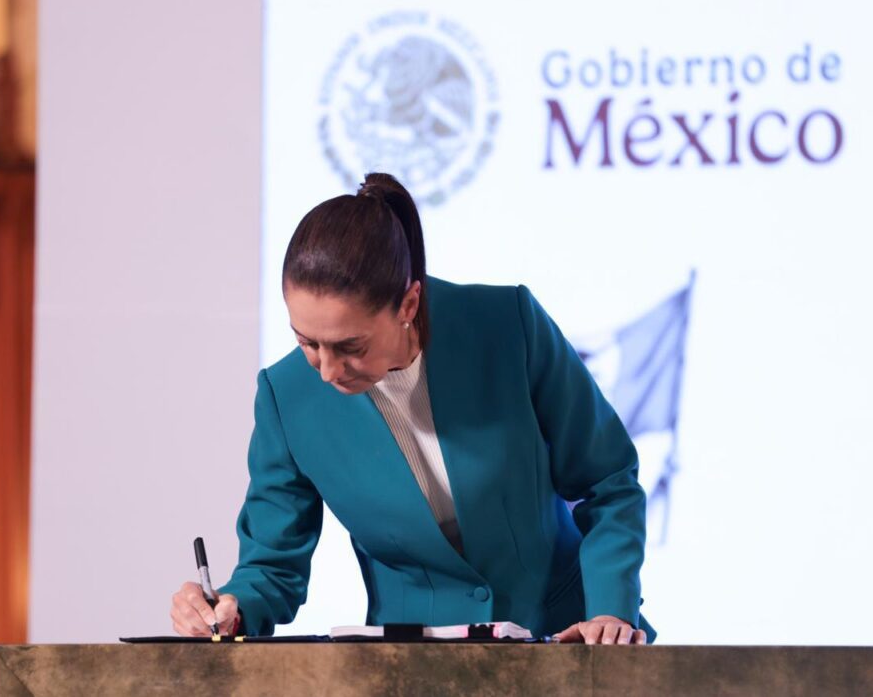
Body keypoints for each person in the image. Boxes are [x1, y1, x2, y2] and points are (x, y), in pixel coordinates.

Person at [170, 173, 655, 644]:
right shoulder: (285, 396)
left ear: (408, 303)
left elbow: (607, 481)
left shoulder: (510, 326)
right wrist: (229, 607)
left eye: (350, 346)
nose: (327, 370)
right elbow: (271, 566)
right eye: (307, 343)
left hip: (566, 642)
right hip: (412, 668)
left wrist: (609, 611)